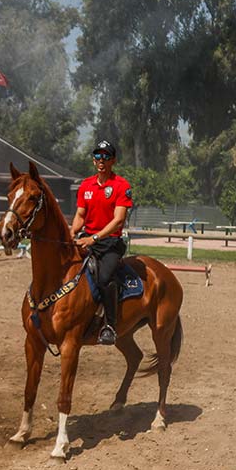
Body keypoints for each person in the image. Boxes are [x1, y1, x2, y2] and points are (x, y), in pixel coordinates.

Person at [70, 140, 134, 345]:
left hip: (110, 244)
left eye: (106, 156)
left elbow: (118, 221)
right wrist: (72, 232)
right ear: (93, 159)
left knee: (105, 278)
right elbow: (80, 214)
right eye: (98, 156)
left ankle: (110, 326)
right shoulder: (86, 185)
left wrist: (94, 237)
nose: (101, 160)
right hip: (87, 240)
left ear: (113, 160)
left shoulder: (121, 186)